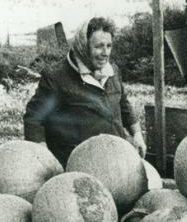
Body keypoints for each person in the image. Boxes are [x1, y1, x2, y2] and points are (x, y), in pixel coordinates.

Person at [23, 17, 147, 165]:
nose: (105, 53)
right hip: (78, 164)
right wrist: (43, 157)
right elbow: (34, 118)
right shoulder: (57, 77)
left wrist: (137, 135)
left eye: (109, 46)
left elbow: (123, 104)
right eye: (99, 46)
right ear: (83, 46)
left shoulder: (112, 70)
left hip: (116, 161)